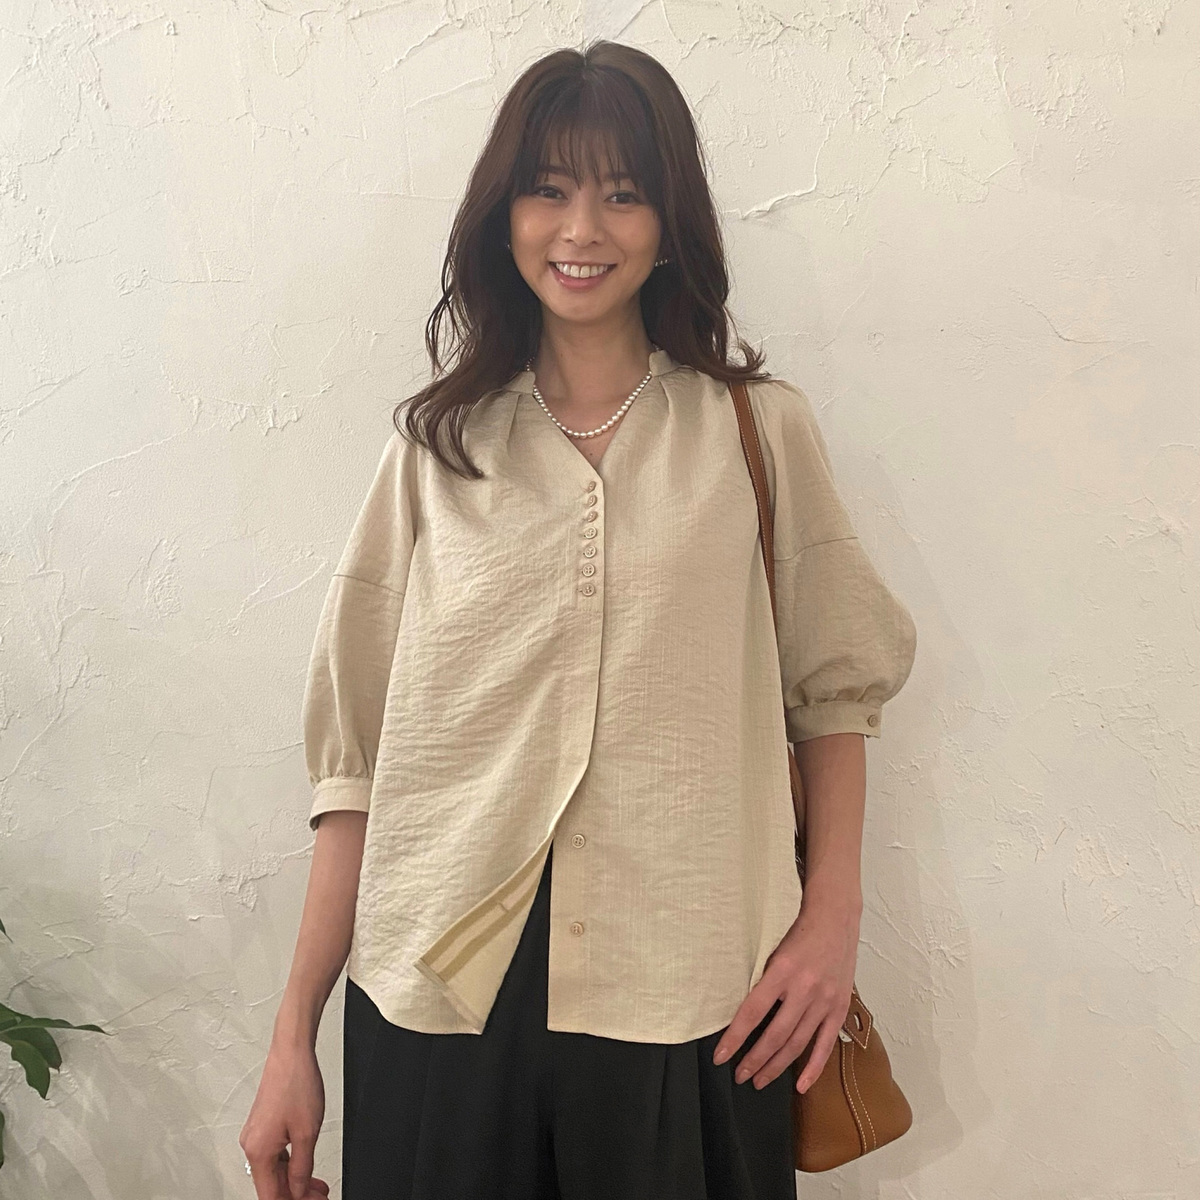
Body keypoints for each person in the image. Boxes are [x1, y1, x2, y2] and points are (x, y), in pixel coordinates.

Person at [240, 39, 917, 1200]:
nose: (582, 229)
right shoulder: (434, 451)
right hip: (441, 1000)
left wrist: (832, 922)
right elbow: (356, 770)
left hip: (694, 988)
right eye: (548, 189)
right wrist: (290, 1038)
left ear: (671, 220)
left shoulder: (757, 433)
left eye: (623, 192)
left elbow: (833, 695)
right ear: (502, 216)